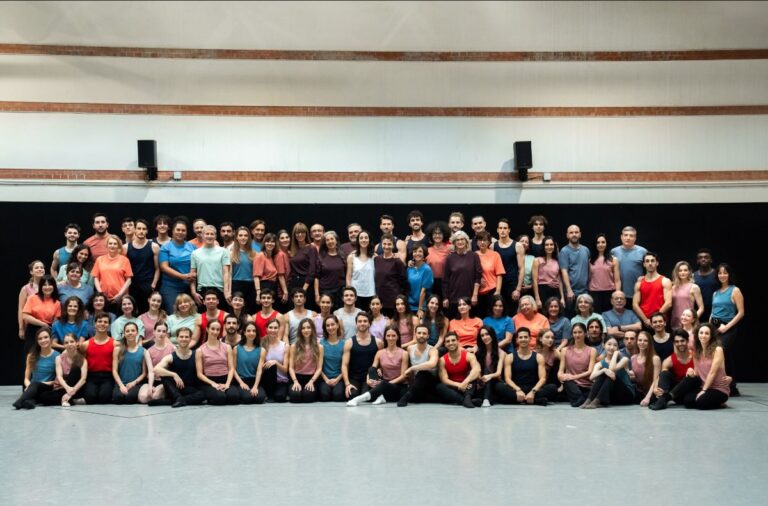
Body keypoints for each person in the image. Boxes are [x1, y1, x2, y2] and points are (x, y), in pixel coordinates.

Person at [666, 323, 730, 410]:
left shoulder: (717, 350)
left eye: (707, 333)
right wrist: (690, 370)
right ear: (697, 334)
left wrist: (704, 390)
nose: (703, 335)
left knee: (701, 403)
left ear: (711, 336)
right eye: (701, 333)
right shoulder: (697, 352)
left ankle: (720, 402)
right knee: (688, 401)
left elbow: (712, 372)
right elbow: (697, 373)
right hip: (704, 386)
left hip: (718, 388)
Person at [347, 325, 408, 406]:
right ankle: (381, 397)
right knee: (372, 370)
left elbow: (403, 376)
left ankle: (358, 399)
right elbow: (372, 369)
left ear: (398, 337)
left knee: (383, 384)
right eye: (388, 336)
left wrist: (387, 384)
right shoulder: (380, 353)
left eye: (393, 336)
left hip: (398, 386)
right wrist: (368, 379)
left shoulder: (404, 353)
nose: (391, 338)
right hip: (383, 384)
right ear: (385, 337)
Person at [495, 327, 556, 406]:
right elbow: (507, 379)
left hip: (533, 388)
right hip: (515, 389)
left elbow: (543, 378)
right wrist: (518, 390)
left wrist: (533, 392)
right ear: (517, 340)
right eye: (521, 337)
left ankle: (519, 400)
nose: (523, 339)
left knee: (552, 387)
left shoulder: (538, 357)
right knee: (499, 386)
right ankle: (534, 400)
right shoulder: (510, 357)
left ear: (530, 339)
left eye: (525, 337)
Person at [710, 263, 744, 396]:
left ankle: (731, 385)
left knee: (723, 352)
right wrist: (709, 327)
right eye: (720, 273)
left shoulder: (735, 290)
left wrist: (727, 327)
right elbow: (713, 312)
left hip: (727, 326)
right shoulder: (715, 293)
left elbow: (741, 313)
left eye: (725, 273)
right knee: (721, 355)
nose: (722, 275)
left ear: (729, 274)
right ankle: (721, 384)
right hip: (714, 327)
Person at [153, 327, 205, 407]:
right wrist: (174, 374)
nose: (184, 339)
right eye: (181, 337)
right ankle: (177, 398)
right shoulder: (171, 356)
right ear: (177, 338)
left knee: (202, 395)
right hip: (174, 389)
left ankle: (175, 400)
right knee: (165, 375)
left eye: (186, 337)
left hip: (189, 388)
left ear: (190, 339)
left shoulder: (196, 355)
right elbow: (156, 369)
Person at [581, 336, 635, 409]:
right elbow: (591, 377)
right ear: (603, 345)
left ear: (618, 348)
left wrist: (615, 354)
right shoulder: (600, 364)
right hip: (612, 396)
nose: (612, 347)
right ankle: (589, 400)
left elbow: (612, 369)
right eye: (609, 344)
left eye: (615, 345)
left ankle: (596, 401)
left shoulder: (624, 359)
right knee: (603, 373)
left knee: (609, 374)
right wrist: (603, 370)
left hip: (627, 396)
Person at [12, 328, 60, 409]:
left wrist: (38, 384)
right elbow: (26, 378)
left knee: (39, 389)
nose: (43, 340)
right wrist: (29, 386)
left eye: (46, 337)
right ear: (37, 341)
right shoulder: (31, 355)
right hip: (33, 387)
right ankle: (28, 402)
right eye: (40, 339)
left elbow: (57, 380)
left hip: (47, 386)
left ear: (51, 338)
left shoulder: (57, 356)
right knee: (34, 387)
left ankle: (21, 401)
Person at [649, 329, 695, 410]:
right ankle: (662, 399)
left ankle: (664, 399)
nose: (680, 344)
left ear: (687, 341)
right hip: (676, 394)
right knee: (665, 373)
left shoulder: (696, 357)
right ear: (674, 343)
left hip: (690, 390)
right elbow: (661, 376)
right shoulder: (669, 360)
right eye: (677, 342)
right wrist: (655, 388)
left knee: (689, 398)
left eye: (682, 341)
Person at [195, 320, 239, 405]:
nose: (215, 332)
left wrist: (227, 384)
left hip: (225, 378)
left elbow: (231, 369)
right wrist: (213, 384)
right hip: (209, 381)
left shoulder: (227, 347)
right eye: (213, 329)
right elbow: (199, 374)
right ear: (207, 329)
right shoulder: (200, 350)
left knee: (234, 397)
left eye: (218, 329)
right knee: (220, 398)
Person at [158, 218, 196, 314]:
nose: (180, 232)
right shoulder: (166, 247)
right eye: (178, 230)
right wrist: (182, 276)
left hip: (188, 286)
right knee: (173, 314)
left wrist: (192, 286)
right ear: (173, 231)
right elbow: (164, 267)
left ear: (186, 232)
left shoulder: (192, 247)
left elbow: (196, 266)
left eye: (183, 230)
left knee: (190, 314)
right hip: (170, 287)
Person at [342, 312, 383, 399]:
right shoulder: (349, 342)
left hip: (370, 377)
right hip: (354, 377)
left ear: (369, 323)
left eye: (365, 321)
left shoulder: (378, 342)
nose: (362, 323)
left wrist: (380, 369)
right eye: (359, 321)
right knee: (352, 395)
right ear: (356, 324)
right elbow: (344, 365)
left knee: (367, 396)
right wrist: (347, 384)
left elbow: (382, 362)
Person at [39, 332, 88, 407]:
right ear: (64, 345)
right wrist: (67, 388)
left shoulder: (83, 360)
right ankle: (71, 400)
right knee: (43, 397)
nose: (69, 344)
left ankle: (67, 398)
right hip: (63, 388)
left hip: (76, 388)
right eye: (66, 343)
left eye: (72, 341)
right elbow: (59, 377)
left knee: (75, 369)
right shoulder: (59, 358)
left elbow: (83, 379)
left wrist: (71, 391)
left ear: (77, 343)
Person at [397, 324, 440, 407]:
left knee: (422, 373)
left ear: (428, 336)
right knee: (406, 392)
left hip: (430, 381)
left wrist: (412, 368)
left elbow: (432, 364)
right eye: (419, 333)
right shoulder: (410, 348)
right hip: (417, 383)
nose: (421, 335)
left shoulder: (433, 350)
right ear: (415, 334)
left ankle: (406, 398)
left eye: (424, 333)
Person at [435, 332, 481, 408]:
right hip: (454, 387)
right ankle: (466, 400)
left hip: (468, 387)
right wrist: (459, 385)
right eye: (448, 341)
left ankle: (467, 397)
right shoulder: (442, 360)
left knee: (472, 378)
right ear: (445, 344)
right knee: (439, 387)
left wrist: (465, 382)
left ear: (458, 341)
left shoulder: (469, 355)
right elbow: (444, 380)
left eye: (453, 340)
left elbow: (477, 370)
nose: (451, 343)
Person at [442, 231, 481, 319]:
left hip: (470, 298)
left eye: (462, 239)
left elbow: (478, 277)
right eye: (457, 240)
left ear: (466, 241)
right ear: (454, 243)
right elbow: (445, 280)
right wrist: (445, 297)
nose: (460, 242)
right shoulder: (450, 258)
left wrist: (475, 295)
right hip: (453, 298)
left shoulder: (474, 256)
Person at [190, 224, 231, 308]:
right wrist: (193, 292)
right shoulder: (195, 253)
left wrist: (226, 291)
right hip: (202, 290)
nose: (209, 236)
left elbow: (226, 273)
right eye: (207, 234)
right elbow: (192, 274)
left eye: (212, 234)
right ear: (202, 235)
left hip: (220, 290)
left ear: (215, 236)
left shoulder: (223, 251)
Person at [124, 218, 160, 314]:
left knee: (148, 312)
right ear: (134, 230)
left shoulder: (154, 246)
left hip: (147, 284)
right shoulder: (126, 247)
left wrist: (153, 284)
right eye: (139, 228)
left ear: (147, 231)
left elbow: (157, 268)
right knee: (133, 312)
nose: (141, 231)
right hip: (132, 285)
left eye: (144, 229)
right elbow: (123, 270)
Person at [81, 312, 116, 404]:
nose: (102, 324)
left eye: (105, 322)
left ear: (109, 325)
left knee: (104, 398)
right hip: (91, 376)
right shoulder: (85, 344)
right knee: (90, 398)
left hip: (108, 376)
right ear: (95, 324)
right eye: (100, 321)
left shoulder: (115, 344)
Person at [91, 234, 133, 313]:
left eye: (115, 244)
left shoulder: (124, 260)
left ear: (118, 246)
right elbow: (95, 277)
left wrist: (120, 295)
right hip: (104, 298)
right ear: (107, 245)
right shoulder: (100, 259)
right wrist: (101, 293)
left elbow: (129, 280)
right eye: (110, 243)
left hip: (120, 298)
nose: (112, 246)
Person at [558, 322, 596, 407]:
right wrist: (561, 376)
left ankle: (578, 400)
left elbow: (590, 371)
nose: (577, 335)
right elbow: (560, 370)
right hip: (572, 384)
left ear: (585, 333)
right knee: (567, 380)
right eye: (575, 332)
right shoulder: (565, 350)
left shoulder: (592, 350)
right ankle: (582, 400)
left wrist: (574, 377)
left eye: (580, 332)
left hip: (586, 386)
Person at [22, 275, 61, 354]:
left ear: (54, 286)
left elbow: (55, 323)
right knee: (31, 355)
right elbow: (25, 316)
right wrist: (41, 323)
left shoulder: (57, 303)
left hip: (48, 331)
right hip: (33, 330)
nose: (47, 287)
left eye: (50, 285)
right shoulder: (32, 298)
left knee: (45, 355)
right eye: (44, 285)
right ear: (41, 286)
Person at [610, 226, 647, 308]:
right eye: (626, 235)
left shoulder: (643, 251)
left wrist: (645, 277)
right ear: (621, 237)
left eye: (631, 235)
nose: (628, 238)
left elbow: (650, 269)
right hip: (619, 294)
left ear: (635, 238)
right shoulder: (614, 252)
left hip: (638, 293)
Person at [633, 252, 672, 328]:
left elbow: (668, 303)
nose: (650, 263)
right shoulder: (639, 283)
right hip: (645, 321)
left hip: (660, 321)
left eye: (652, 261)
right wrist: (645, 320)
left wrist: (655, 319)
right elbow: (635, 305)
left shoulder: (665, 281)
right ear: (644, 264)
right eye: (647, 261)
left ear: (657, 263)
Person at [111, 322, 148, 404]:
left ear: (137, 333)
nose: (130, 333)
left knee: (130, 398)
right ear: (124, 334)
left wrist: (133, 383)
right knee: (118, 398)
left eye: (133, 330)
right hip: (120, 383)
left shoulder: (143, 351)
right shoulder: (117, 350)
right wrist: (121, 385)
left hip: (135, 384)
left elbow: (144, 373)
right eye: (127, 331)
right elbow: (114, 370)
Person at [288, 318, 324, 403]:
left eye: (308, 327)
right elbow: (291, 368)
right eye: (303, 328)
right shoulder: (294, 346)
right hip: (297, 377)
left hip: (312, 378)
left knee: (308, 396)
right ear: (300, 330)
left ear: (312, 329)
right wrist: (295, 382)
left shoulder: (319, 347)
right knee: (295, 396)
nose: (306, 330)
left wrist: (311, 381)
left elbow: (319, 368)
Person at [493, 218, 525, 312]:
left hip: (512, 284)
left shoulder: (517, 245)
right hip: (497, 284)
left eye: (505, 228)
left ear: (509, 230)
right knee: (497, 311)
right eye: (500, 228)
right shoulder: (492, 246)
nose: (502, 230)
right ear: (497, 230)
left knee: (512, 312)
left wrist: (518, 289)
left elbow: (522, 268)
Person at [559, 225, 591, 317]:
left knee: (585, 317)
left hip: (584, 291)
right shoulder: (564, 251)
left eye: (576, 232)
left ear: (580, 234)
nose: (574, 234)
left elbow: (589, 268)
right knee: (571, 318)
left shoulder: (586, 250)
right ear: (567, 235)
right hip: (571, 293)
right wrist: (569, 290)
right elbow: (564, 271)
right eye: (571, 233)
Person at [140, 320, 175, 404]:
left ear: (166, 333)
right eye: (158, 331)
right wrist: (150, 386)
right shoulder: (148, 351)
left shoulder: (172, 348)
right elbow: (151, 371)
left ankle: (165, 394)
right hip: (152, 380)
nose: (161, 333)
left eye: (164, 331)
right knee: (143, 398)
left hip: (165, 381)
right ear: (154, 332)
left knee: (155, 397)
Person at [256, 319, 290, 402]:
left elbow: (285, 369)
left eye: (275, 328)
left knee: (280, 397)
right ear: (266, 329)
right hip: (266, 379)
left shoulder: (285, 346)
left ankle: (273, 394)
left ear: (279, 329)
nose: (273, 330)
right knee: (271, 366)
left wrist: (276, 362)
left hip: (281, 380)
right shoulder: (261, 344)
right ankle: (269, 394)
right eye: (270, 327)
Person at [374, 234, 408, 317]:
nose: (386, 246)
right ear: (381, 244)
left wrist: (400, 297)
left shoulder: (397, 261)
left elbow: (403, 281)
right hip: (379, 298)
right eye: (384, 244)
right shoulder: (376, 259)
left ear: (393, 245)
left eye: (389, 244)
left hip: (392, 299)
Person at [233, 322, 266, 404]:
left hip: (255, 380)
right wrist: (241, 383)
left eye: (254, 331)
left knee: (260, 398)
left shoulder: (262, 350)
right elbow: (233, 369)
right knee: (247, 398)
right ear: (244, 332)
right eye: (248, 331)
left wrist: (255, 386)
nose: (251, 333)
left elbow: (259, 370)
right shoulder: (236, 348)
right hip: (241, 380)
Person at [253, 233, 289, 308]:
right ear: (264, 243)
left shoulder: (272, 257)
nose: (270, 243)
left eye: (272, 242)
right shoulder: (260, 256)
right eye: (268, 241)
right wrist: (258, 293)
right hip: (264, 287)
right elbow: (256, 276)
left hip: (273, 286)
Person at [472, 326, 505, 407]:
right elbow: (477, 370)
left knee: (488, 374)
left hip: (495, 380)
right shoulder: (478, 352)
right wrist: (480, 378)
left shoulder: (501, 353)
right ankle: (485, 399)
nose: (485, 337)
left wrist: (489, 376)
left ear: (492, 335)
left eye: (487, 334)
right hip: (481, 381)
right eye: (482, 335)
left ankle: (486, 399)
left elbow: (498, 373)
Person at [474, 231, 505, 317]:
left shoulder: (495, 255)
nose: (482, 242)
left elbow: (499, 274)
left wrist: (498, 291)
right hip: (477, 292)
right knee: (479, 316)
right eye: (480, 240)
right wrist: (478, 279)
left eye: (485, 240)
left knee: (492, 315)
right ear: (476, 242)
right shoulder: (473, 255)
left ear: (489, 242)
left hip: (492, 290)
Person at [588, 233, 620, 313]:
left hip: (609, 292)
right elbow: (589, 278)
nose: (600, 244)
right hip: (594, 293)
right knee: (596, 316)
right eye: (598, 242)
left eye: (603, 242)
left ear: (606, 243)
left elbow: (617, 280)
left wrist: (617, 293)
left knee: (608, 316)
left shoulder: (613, 259)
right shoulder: (590, 260)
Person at [313, 230, 346, 308]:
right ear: (325, 243)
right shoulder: (321, 257)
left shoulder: (343, 256)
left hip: (340, 291)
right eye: (327, 240)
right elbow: (316, 277)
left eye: (332, 239)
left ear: (336, 241)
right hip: (325, 291)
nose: (330, 241)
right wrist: (317, 294)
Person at [318, 315, 346, 402]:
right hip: (324, 378)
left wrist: (337, 379)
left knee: (338, 396)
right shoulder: (320, 343)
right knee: (324, 396)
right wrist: (326, 380)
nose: (330, 327)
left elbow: (346, 366)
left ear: (337, 325)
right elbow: (318, 366)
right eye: (328, 325)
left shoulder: (344, 344)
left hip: (339, 378)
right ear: (325, 328)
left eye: (333, 324)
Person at [346, 229, 376, 310]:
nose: (363, 240)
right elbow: (348, 277)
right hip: (356, 294)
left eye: (366, 238)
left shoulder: (374, 257)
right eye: (361, 238)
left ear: (369, 240)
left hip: (371, 293)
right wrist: (349, 292)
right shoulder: (351, 257)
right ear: (358, 241)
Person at [229, 226, 257, 314]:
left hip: (251, 285)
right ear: (236, 237)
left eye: (245, 235)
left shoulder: (254, 253)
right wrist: (228, 290)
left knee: (249, 311)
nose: (243, 237)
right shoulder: (231, 253)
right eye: (240, 235)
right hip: (236, 284)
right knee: (236, 311)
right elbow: (228, 274)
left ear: (249, 237)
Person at [670, 260, 705, 329]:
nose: (683, 273)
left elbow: (701, 308)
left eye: (685, 270)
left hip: (689, 325)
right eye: (680, 270)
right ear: (677, 272)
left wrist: (692, 320)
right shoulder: (673, 287)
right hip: (675, 322)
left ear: (689, 272)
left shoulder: (694, 287)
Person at [630, 330, 661, 406]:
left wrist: (647, 398)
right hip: (638, 392)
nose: (642, 342)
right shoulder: (633, 358)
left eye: (645, 341)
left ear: (649, 343)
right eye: (640, 340)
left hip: (650, 392)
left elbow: (656, 380)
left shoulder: (655, 358)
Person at [287, 222, 318, 298]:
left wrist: (304, 289)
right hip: (294, 283)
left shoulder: (311, 248)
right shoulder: (292, 249)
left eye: (302, 232)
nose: (300, 235)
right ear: (294, 234)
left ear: (306, 234)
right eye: (297, 233)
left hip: (306, 283)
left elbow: (312, 271)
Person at [533, 236, 564, 310]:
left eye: (551, 244)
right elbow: (534, 280)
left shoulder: (557, 261)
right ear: (543, 246)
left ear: (554, 246)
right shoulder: (537, 260)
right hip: (542, 291)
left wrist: (562, 298)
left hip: (555, 291)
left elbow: (559, 280)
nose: (549, 247)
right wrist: (537, 299)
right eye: (546, 245)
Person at [18, 260, 45, 342]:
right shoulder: (25, 289)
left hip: (46, 324)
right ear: (31, 272)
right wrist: (21, 328)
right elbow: (21, 309)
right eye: (37, 268)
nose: (40, 269)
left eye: (42, 267)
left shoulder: (49, 287)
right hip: (31, 325)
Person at [407, 242, 434, 316]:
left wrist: (420, 308)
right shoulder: (410, 268)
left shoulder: (427, 269)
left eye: (420, 251)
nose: (417, 253)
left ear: (424, 254)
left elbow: (423, 291)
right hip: (409, 305)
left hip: (422, 306)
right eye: (415, 251)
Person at [425, 221, 451, 299]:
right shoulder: (427, 250)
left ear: (444, 235)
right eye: (435, 233)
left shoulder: (450, 250)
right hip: (430, 284)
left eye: (440, 233)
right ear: (431, 235)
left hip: (446, 284)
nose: (437, 236)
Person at [693, 248, 718, 321]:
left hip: (715, 310)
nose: (703, 259)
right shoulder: (693, 276)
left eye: (706, 257)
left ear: (711, 260)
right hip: (698, 310)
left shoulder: (717, 274)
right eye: (700, 258)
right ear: (697, 261)